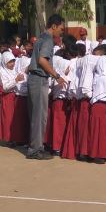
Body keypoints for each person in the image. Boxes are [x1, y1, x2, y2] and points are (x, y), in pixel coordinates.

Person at [26, 14, 67, 160]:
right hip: (39, 79)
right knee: (40, 116)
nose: (61, 32)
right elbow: (42, 60)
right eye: (61, 29)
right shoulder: (48, 39)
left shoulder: (41, 37)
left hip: (35, 79)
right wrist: (57, 76)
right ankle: (35, 150)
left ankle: (35, 147)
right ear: (54, 26)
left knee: (36, 116)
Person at [0, 52, 28, 145]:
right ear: (4, 62)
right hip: (8, 97)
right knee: (9, 119)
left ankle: (17, 137)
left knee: (16, 118)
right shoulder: (2, 72)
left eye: (13, 62)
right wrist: (16, 80)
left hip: (15, 96)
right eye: (10, 62)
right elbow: (5, 87)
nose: (12, 64)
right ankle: (10, 138)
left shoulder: (14, 70)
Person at [88, 54, 106, 164]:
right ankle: (102, 154)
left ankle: (93, 153)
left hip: (95, 105)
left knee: (95, 131)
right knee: (102, 132)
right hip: (103, 106)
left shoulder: (96, 76)